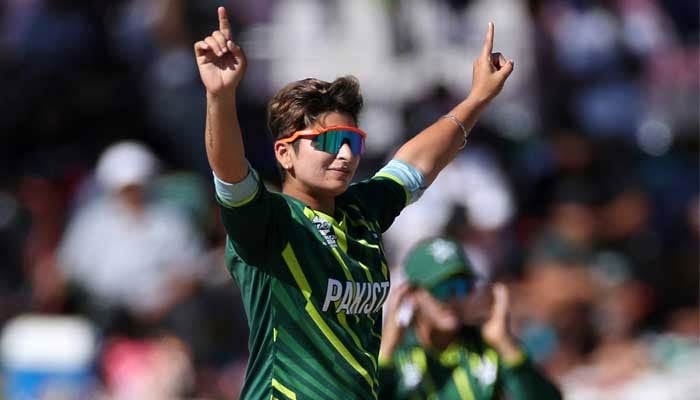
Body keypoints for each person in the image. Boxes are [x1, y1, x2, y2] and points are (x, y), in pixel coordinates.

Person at [194, 6, 513, 399]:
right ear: (284, 153)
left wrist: (477, 98)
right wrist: (220, 97)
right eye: (328, 141)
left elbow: (416, 162)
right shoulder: (269, 222)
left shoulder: (360, 212)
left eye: (353, 141)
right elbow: (228, 170)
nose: (345, 154)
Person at [378, 237, 562, 399]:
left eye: (462, 287)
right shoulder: (395, 354)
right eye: (441, 289)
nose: (454, 299)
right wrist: (386, 351)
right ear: (411, 295)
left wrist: (505, 344)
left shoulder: (488, 347)